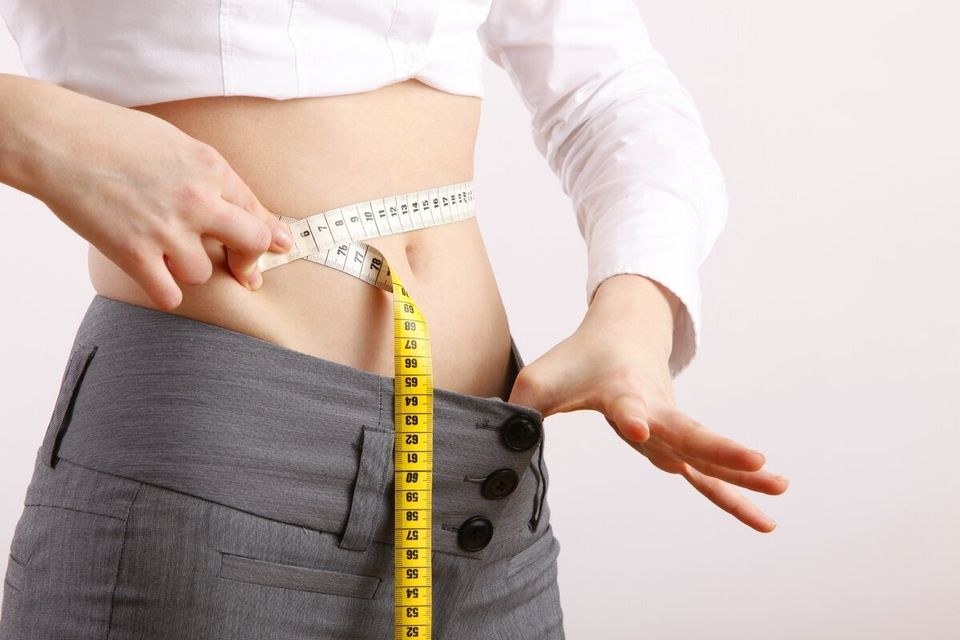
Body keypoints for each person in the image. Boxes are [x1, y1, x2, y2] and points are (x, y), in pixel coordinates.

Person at [0, 0, 788, 638]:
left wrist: (636, 309)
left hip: (491, 494)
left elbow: (609, 85)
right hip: (219, 472)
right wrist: (36, 129)